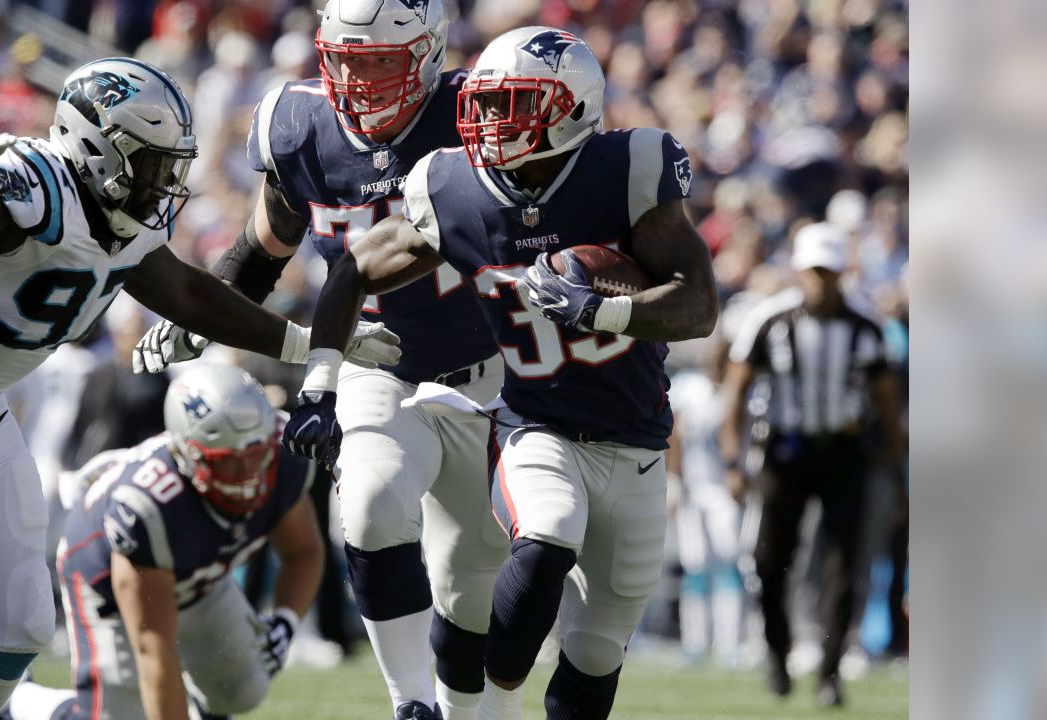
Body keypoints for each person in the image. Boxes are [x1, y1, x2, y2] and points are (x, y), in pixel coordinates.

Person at [0, 57, 398, 720]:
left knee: (17, 631)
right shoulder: (37, 179)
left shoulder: (120, 222)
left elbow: (194, 296)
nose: (162, 182)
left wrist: (313, 344)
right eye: (149, 163)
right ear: (95, 147)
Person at [285, 26, 718, 720]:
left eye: (511, 103)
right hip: (535, 425)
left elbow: (698, 305)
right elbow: (355, 268)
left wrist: (602, 311)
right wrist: (321, 379)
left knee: (599, 649)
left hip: (637, 442)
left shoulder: (627, 169)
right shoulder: (454, 186)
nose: (488, 121)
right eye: (484, 104)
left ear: (572, 107)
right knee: (546, 537)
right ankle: (489, 709)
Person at [133, 2, 509, 718]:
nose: (357, 79)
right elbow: (261, 250)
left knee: (471, 591)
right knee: (366, 509)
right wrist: (200, 316)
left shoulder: (479, 115)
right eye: (344, 58)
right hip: (372, 356)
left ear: (429, 53)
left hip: (489, 374)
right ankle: (409, 704)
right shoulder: (302, 125)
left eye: (377, 60)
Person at [3, 365, 324, 720]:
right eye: (230, 464)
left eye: (256, 456)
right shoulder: (148, 508)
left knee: (244, 685)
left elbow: (303, 551)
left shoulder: (283, 457)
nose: (248, 475)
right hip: (108, 581)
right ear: (189, 454)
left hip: (196, 580)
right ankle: (21, 702)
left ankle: (201, 707)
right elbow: (155, 651)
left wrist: (285, 621)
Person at [718, 221, 906, 708]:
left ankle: (829, 671)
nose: (822, 282)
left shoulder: (864, 327)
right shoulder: (771, 321)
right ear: (800, 271)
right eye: (814, 272)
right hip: (784, 451)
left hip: (845, 452)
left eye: (830, 272)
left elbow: (885, 404)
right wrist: (733, 461)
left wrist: (894, 466)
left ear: (843, 272)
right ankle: (778, 651)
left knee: (845, 564)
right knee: (765, 561)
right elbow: (734, 393)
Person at [665, 344, 744, 666]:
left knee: (729, 563)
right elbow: (675, 436)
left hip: (724, 491)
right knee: (695, 566)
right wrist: (674, 480)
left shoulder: (736, 391)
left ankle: (730, 644)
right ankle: (694, 642)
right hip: (693, 490)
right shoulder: (689, 388)